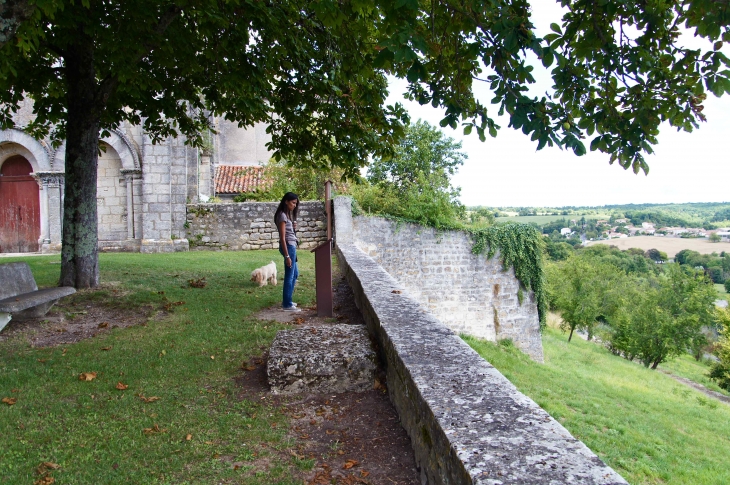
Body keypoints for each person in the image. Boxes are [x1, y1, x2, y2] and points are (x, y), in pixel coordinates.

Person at [275, 192, 301, 312]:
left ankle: (288, 300)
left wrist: (293, 228)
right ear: (286, 201)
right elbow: (282, 237)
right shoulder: (282, 216)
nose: (294, 205)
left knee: (295, 274)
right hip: (288, 247)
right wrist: (287, 256)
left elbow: (289, 233)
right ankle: (287, 304)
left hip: (291, 245)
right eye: (293, 202)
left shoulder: (286, 215)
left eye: (296, 203)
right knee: (289, 276)